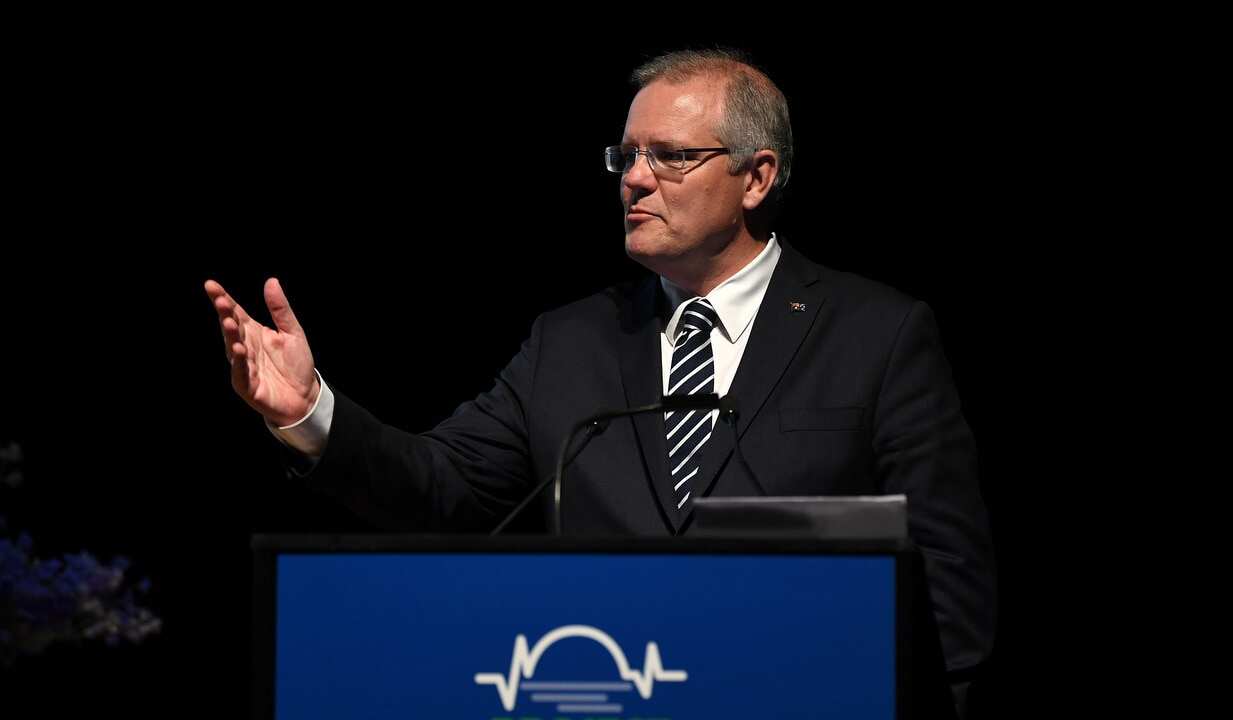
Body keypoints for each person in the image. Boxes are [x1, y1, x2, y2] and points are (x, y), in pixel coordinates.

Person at [205, 48, 994, 710]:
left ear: (757, 178)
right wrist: (312, 411)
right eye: (626, 156)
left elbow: (950, 589)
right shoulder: (570, 343)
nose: (634, 180)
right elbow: (441, 488)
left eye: (671, 157)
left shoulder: (878, 334)